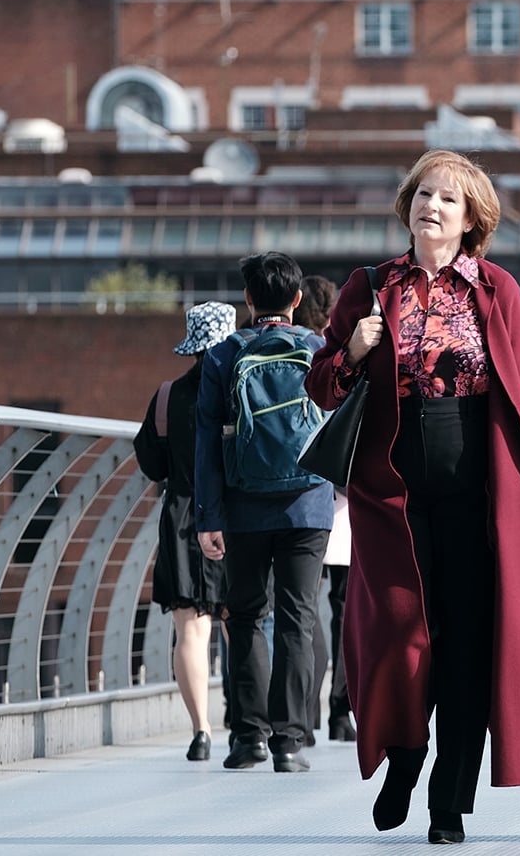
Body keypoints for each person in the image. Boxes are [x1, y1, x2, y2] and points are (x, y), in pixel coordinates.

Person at [306, 149, 520, 845]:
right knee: (401, 636)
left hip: (479, 494)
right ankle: (406, 756)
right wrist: (351, 352)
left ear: (472, 217)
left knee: (470, 649)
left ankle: (449, 803)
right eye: (424, 194)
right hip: (393, 493)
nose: (432, 206)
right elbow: (321, 386)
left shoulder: (498, 289)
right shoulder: (371, 286)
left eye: (449, 198)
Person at [195, 252, 334, 773]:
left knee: (247, 616)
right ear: (297, 299)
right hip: (308, 504)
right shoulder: (318, 349)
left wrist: (208, 517)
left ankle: (248, 738)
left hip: (243, 505)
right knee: (298, 618)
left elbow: (207, 443)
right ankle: (289, 742)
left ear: (248, 299)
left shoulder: (223, 355)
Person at [133, 301, 236, 763]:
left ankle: (201, 732)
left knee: (190, 631)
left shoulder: (166, 396)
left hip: (181, 518)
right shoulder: (240, 390)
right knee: (241, 624)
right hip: (232, 516)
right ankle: (247, 722)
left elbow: (152, 465)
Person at [297, 273, 356, 742]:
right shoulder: (342, 358)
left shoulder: (301, 355)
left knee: (303, 608)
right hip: (348, 502)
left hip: (304, 498)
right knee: (345, 611)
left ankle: (305, 713)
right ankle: (341, 712)